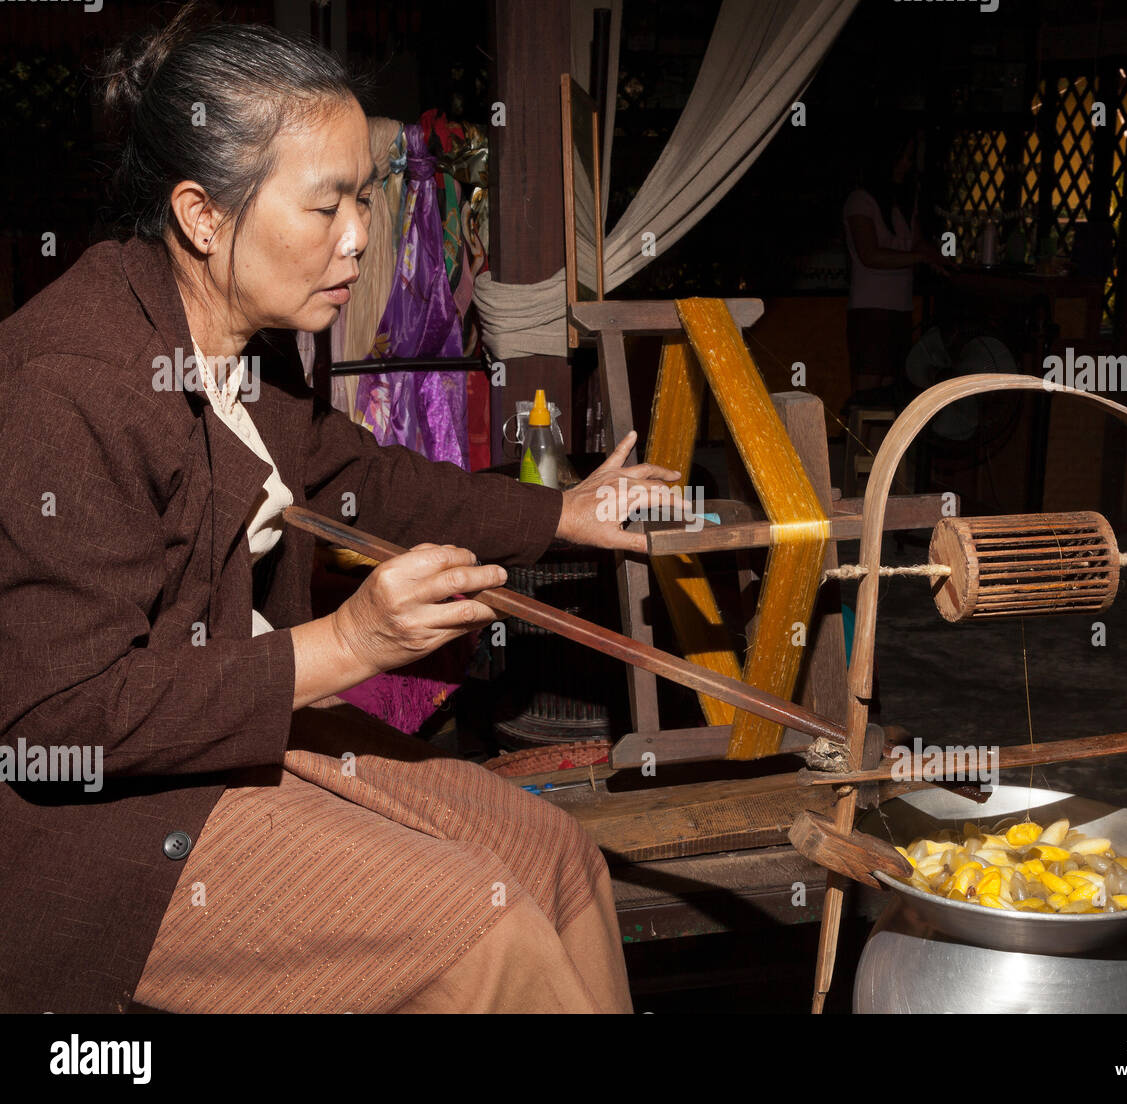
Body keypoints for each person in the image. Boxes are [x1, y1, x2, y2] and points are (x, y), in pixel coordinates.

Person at [0, 4, 681, 1013]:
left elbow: (359, 475)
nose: (360, 239)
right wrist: (351, 644)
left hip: (218, 748)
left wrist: (561, 516)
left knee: (552, 855)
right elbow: (57, 718)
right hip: (93, 834)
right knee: (477, 933)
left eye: (365, 200)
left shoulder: (235, 340)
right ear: (202, 216)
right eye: (326, 208)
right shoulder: (65, 388)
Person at [842, 126, 948, 411]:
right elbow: (871, 255)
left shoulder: (901, 205)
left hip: (900, 311)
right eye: (903, 157)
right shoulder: (860, 201)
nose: (907, 165)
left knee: (891, 396)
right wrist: (919, 258)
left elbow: (916, 242)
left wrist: (940, 259)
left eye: (910, 158)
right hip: (871, 311)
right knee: (866, 398)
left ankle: (882, 455)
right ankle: (856, 454)